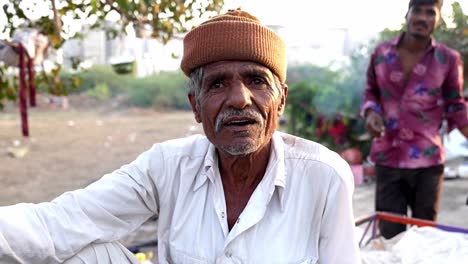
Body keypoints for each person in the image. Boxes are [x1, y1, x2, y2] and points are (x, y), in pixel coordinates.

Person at [0, 9, 360, 263]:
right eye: (218, 84)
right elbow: (62, 221)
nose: (239, 99)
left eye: (256, 80)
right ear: (195, 105)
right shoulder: (167, 166)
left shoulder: (324, 177)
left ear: (281, 100)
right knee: (84, 255)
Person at [362, 0, 468, 239]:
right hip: (388, 158)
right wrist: (371, 113)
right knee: (390, 236)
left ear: (438, 18)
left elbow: (456, 105)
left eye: (430, 12)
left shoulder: (448, 59)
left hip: (428, 162)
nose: (422, 17)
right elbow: (370, 93)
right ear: (407, 14)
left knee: (424, 238)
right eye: (417, 10)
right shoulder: (381, 54)